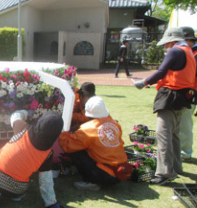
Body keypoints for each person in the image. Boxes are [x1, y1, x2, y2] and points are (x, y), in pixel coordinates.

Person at [134, 27, 197, 185]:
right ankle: (177, 166)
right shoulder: (189, 52)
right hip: (184, 97)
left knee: (164, 135)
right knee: (174, 134)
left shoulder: (175, 51)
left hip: (171, 97)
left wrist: (144, 82)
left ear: (172, 41)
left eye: (166, 44)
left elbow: (161, 71)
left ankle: (164, 173)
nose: (165, 47)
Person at [58, 96, 131, 191]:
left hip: (104, 175)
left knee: (76, 152)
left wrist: (63, 132)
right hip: (123, 170)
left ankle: (92, 181)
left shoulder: (87, 129)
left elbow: (67, 146)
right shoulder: (114, 124)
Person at [178, 26, 197, 161]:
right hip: (183, 92)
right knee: (180, 122)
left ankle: (185, 151)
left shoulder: (194, 54)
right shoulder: (189, 52)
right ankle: (181, 149)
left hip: (191, 93)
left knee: (185, 123)